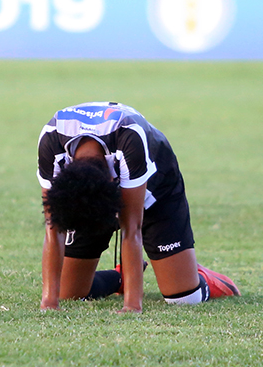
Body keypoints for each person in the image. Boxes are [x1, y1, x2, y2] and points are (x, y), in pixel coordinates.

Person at [38, 102, 240, 313]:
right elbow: (54, 226)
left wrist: (132, 305)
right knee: (68, 292)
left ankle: (205, 277)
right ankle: (120, 278)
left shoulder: (129, 138)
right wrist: (49, 301)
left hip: (157, 189)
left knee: (184, 298)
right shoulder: (51, 141)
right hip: (92, 192)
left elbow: (131, 229)